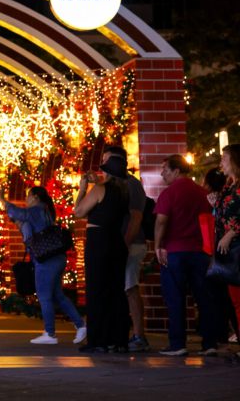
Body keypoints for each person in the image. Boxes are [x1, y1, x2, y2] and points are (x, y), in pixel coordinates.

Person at [3, 186, 86, 345]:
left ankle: (50, 333)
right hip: (56, 257)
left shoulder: (36, 210)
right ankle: (80, 325)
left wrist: (4, 201)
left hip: (46, 260)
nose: (26, 199)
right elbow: (21, 221)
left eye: (28, 196)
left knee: (44, 296)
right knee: (57, 295)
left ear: (35, 197)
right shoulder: (45, 210)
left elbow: (18, 214)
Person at [154, 153, 218, 356]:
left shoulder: (169, 193)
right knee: (203, 298)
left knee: (175, 298)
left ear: (176, 171)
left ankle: (178, 343)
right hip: (200, 252)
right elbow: (210, 221)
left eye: (165, 169)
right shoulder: (202, 193)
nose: (162, 173)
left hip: (174, 251)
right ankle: (209, 343)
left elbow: (161, 221)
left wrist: (157, 245)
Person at [74, 154, 130, 353]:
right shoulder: (124, 192)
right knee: (116, 290)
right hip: (117, 241)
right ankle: (119, 339)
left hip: (99, 241)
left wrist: (82, 189)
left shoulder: (99, 189)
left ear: (106, 172)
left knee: (97, 289)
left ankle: (98, 340)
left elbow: (79, 211)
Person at [102, 145, 151, 352]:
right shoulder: (114, 184)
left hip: (132, 243)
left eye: (106, 160)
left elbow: (136, 217)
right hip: (119, 243)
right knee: (121, 288)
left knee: (130, 288)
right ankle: (118, 333)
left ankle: (139, 336)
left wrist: (124, 244)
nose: (103, 165)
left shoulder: (131, 184)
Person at [215, 145, 240, 346]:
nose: (221, 162)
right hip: (229, 249)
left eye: (224, 158)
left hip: (236, 244)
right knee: (235, 299)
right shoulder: (228, 185)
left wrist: (231, 233)